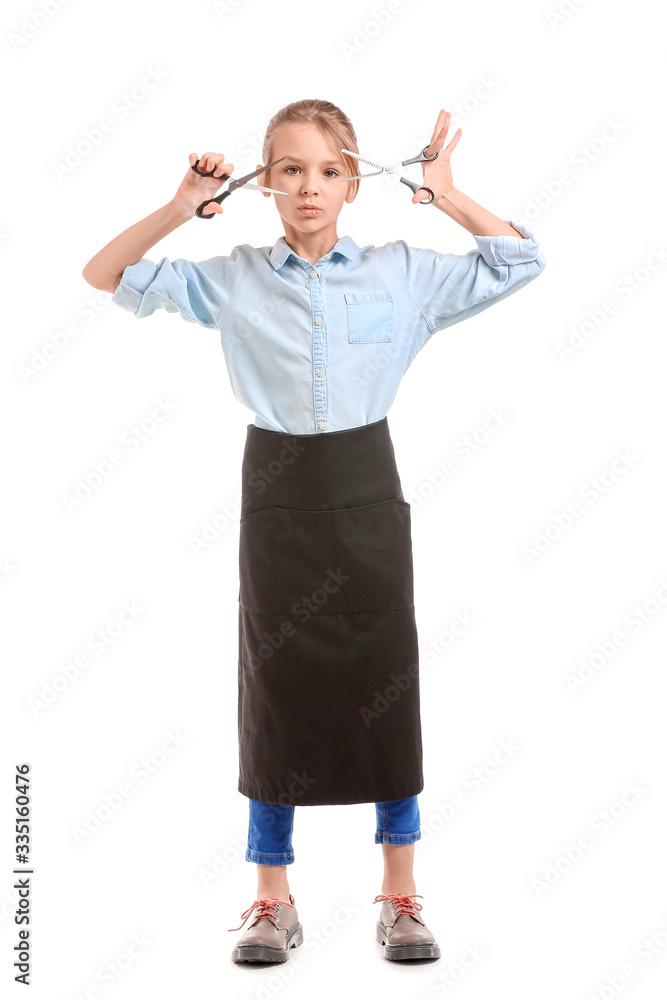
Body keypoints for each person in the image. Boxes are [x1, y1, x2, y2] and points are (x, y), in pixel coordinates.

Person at [82, 98, 546, 965]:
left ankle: (400, 895)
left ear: (354, 181)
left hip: (368, 489)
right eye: (289, 168)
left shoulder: (403, 273)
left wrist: (443, 193)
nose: (309, 186)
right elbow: (102, 273)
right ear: (263, 183)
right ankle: (269, 901)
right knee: (276, 686)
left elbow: (520, 258)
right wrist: (182, 207)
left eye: (330, 169)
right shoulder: (230, 278)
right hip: (277, 493)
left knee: (386, 684)